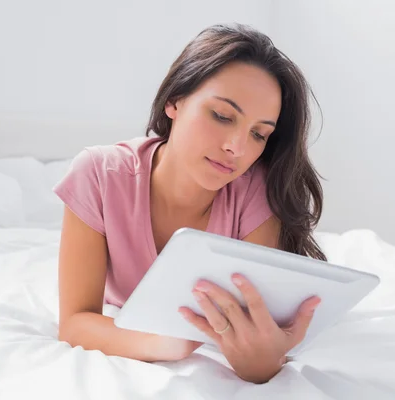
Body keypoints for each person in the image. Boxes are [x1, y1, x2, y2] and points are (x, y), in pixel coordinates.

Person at [53, 23, 326, 384]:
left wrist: (262, 363)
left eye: (259, 134)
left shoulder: (256, 190)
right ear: (175, 101)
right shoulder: (99, 174)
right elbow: (75, 322)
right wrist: (168, 344)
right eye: (222, 116)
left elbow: (253, 341)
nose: (237, 148)